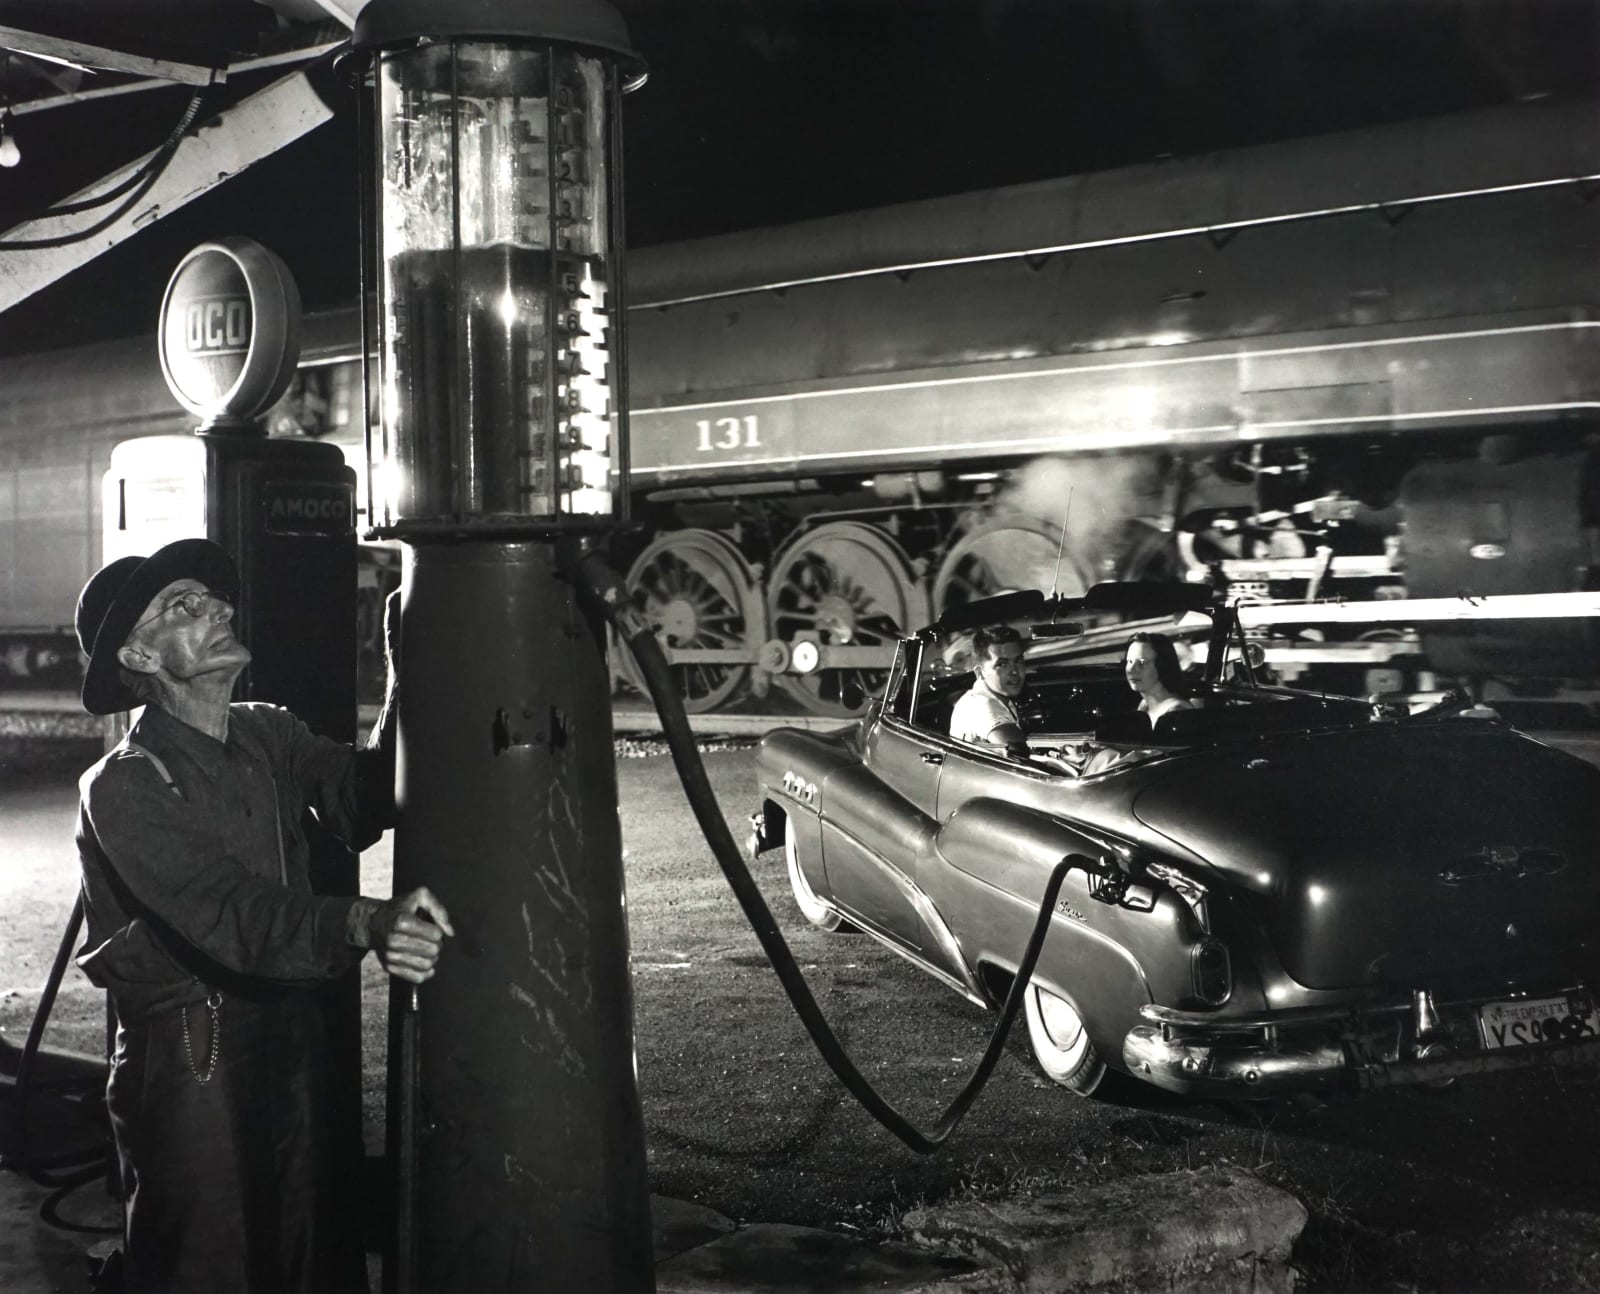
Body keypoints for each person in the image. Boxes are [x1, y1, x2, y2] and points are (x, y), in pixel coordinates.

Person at [72, 537, 454, 1294]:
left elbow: (364, 799)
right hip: (190, 1052)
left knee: (309, 1243)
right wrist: (362, 923)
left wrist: (408, 670)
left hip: (289, 1025)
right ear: (141, 658)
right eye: (183, 606)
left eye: (211, 598)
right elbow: (227, 910)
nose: (216, 608)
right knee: (209, 1256)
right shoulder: (121, 786)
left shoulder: (265, 730)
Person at [948, 624, 1031, 757]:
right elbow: (1022, 756)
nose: (1015, 671)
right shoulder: (983, 705)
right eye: (1002, 664)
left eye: (1018, 660)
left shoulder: (989, 696)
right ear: (980, 672)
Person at [1123, 631, 1199, 723]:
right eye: (1129, 661)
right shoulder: (1145, 704)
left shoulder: (1177, 712)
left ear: (1162, 666)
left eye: (1142, 663)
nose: (1131, 669)